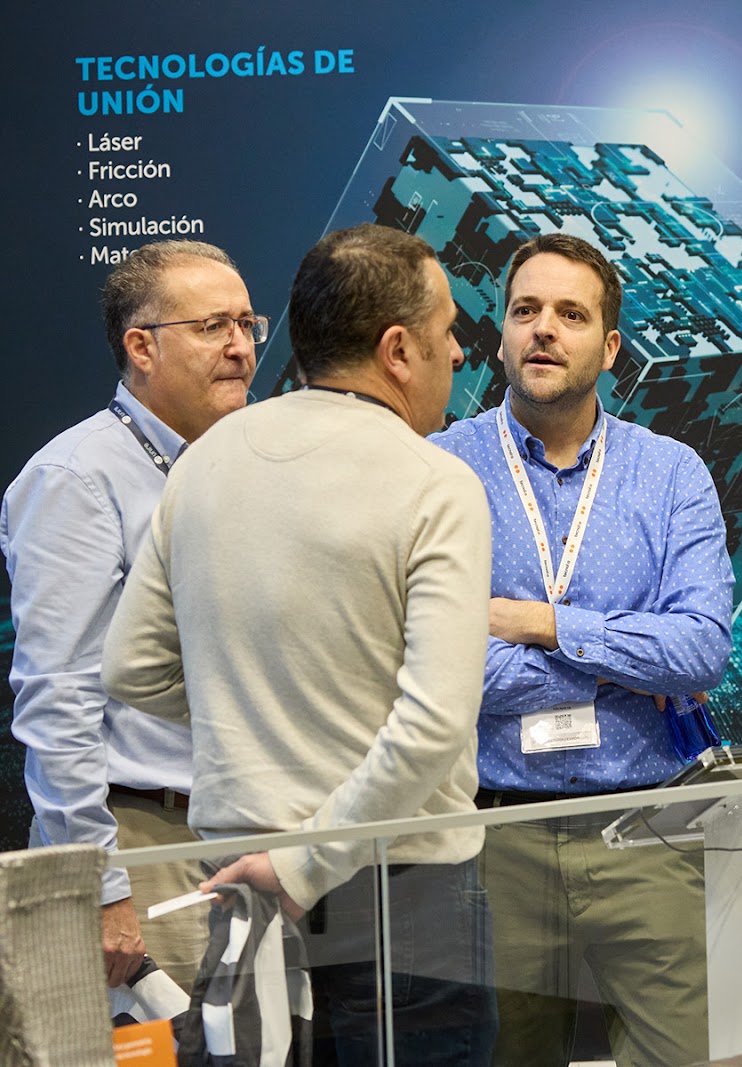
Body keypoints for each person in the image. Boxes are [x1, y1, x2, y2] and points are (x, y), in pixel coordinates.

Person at [101, 223, 495, 1064]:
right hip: (400, 898)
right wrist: (306, 862)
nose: (460, 352)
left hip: (242, 880)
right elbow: (434, 724)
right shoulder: (437, 482)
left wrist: (265, 713)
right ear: (398, 350)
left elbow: (130, 667)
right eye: (447, 330)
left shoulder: (206, 462)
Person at [431, 232, 734, 1067]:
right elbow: (435, 662)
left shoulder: (670, 473)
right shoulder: (441, 469)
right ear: (500, 336)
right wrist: (621, 669)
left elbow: (701, 649)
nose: (544, 329)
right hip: (495, 837)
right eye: (525, 310)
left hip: (645, 831)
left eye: (571, 314)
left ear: (609, 348)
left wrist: (543, 623)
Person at [1, 239, 259, 993]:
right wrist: (102, 884)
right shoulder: (74, 479)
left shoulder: (246, 461)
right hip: (143, 843)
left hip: (251, 839)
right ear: (141, 347)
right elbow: (58, 698)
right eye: (212, 327)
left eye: (247, 324)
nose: (241, 347)